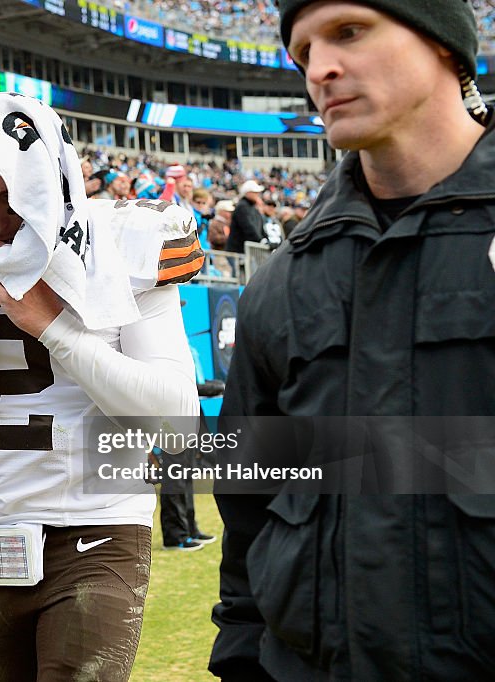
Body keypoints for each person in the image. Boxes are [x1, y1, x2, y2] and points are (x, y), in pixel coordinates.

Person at [210, 1, 495, 680]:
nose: (321, 69)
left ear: (443, 45)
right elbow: (249, 511)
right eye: (304, 51)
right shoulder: (279, 284)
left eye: (348, 32)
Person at [0, 93, 200, 682]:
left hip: (100, 528)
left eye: (13, 201)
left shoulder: (122, 242)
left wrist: (55, 330)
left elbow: (179, 423)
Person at [224, 179, 265, 252]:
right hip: (237, 251)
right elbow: (248, 227)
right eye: (255, 192)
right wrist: (261, 240)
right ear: (247, 193)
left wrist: (265, 238)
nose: (257, 194)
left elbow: (260, 227)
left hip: (245, 251)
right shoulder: (242, 207)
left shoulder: (253, 208)